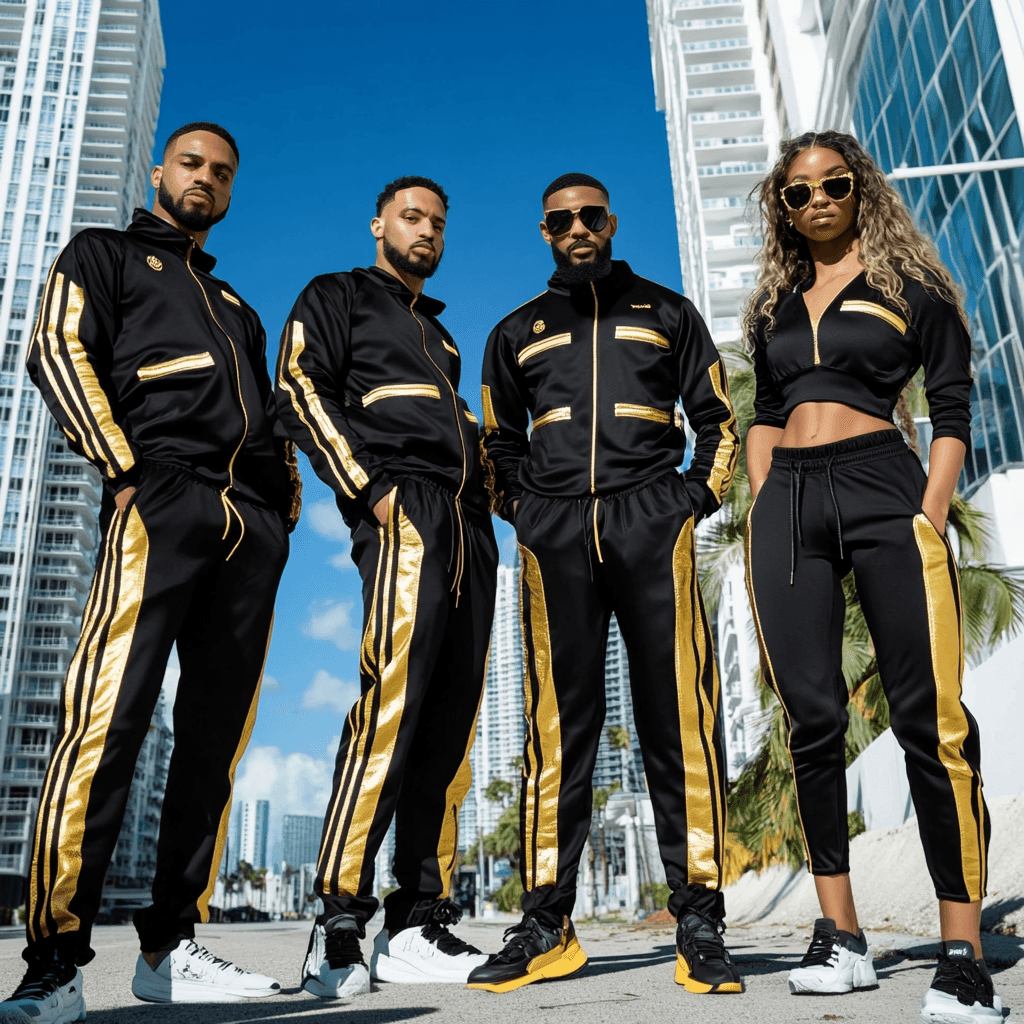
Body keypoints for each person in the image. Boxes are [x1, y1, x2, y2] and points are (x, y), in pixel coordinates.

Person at [0, 122, 299, 1022]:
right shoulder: (106, 254)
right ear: (161, 171)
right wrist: (123, 468)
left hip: (247, 526)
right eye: (191, 165)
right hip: (157, 496)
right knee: (108, 721)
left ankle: (170, 946)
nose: (205, 179)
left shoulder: (237, 303)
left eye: (222, 172)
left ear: (232, 190)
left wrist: (278, 510)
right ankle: (53, 960)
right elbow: (56, 350)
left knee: (214, 743)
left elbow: (273, 416)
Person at [744, 131, 998, 1024]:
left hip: (885, 485)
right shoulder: (774, 304)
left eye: (833, 185)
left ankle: (963, 955)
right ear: (781, 207)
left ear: (861, 190)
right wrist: (765, 499)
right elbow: (767, 412)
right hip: (789, 511)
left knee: (931, 719)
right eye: (795, 192)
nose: (815, 201)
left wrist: (928, 511)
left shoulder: (910, 289)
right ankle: (841, 936)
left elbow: (953, 401)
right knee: (809, 722)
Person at [471, 172, 741, 994]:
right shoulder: (516, 331)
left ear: (611, 222)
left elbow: (719, 419)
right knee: (558, 730)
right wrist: (521, 509)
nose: (578, 228)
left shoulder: (668, 312)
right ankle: (547, 923)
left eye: (591, 215)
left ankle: (698, 917)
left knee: (680, 718)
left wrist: (695, 498)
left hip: (650, 523)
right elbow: (496, 441)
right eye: (562, 220)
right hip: (554, 536)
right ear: (545, 231)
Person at [276, 176, 497, 996]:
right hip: (402, 506)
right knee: (393, 701)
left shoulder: (438, 339)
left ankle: (415, 923)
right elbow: (298, 390)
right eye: (413, 217)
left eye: (439, 222)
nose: (427, 231)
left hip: (470, 527)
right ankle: (337, 921)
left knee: (451, 722)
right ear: (378, 224)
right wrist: (370, 486)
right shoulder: (337, 296)